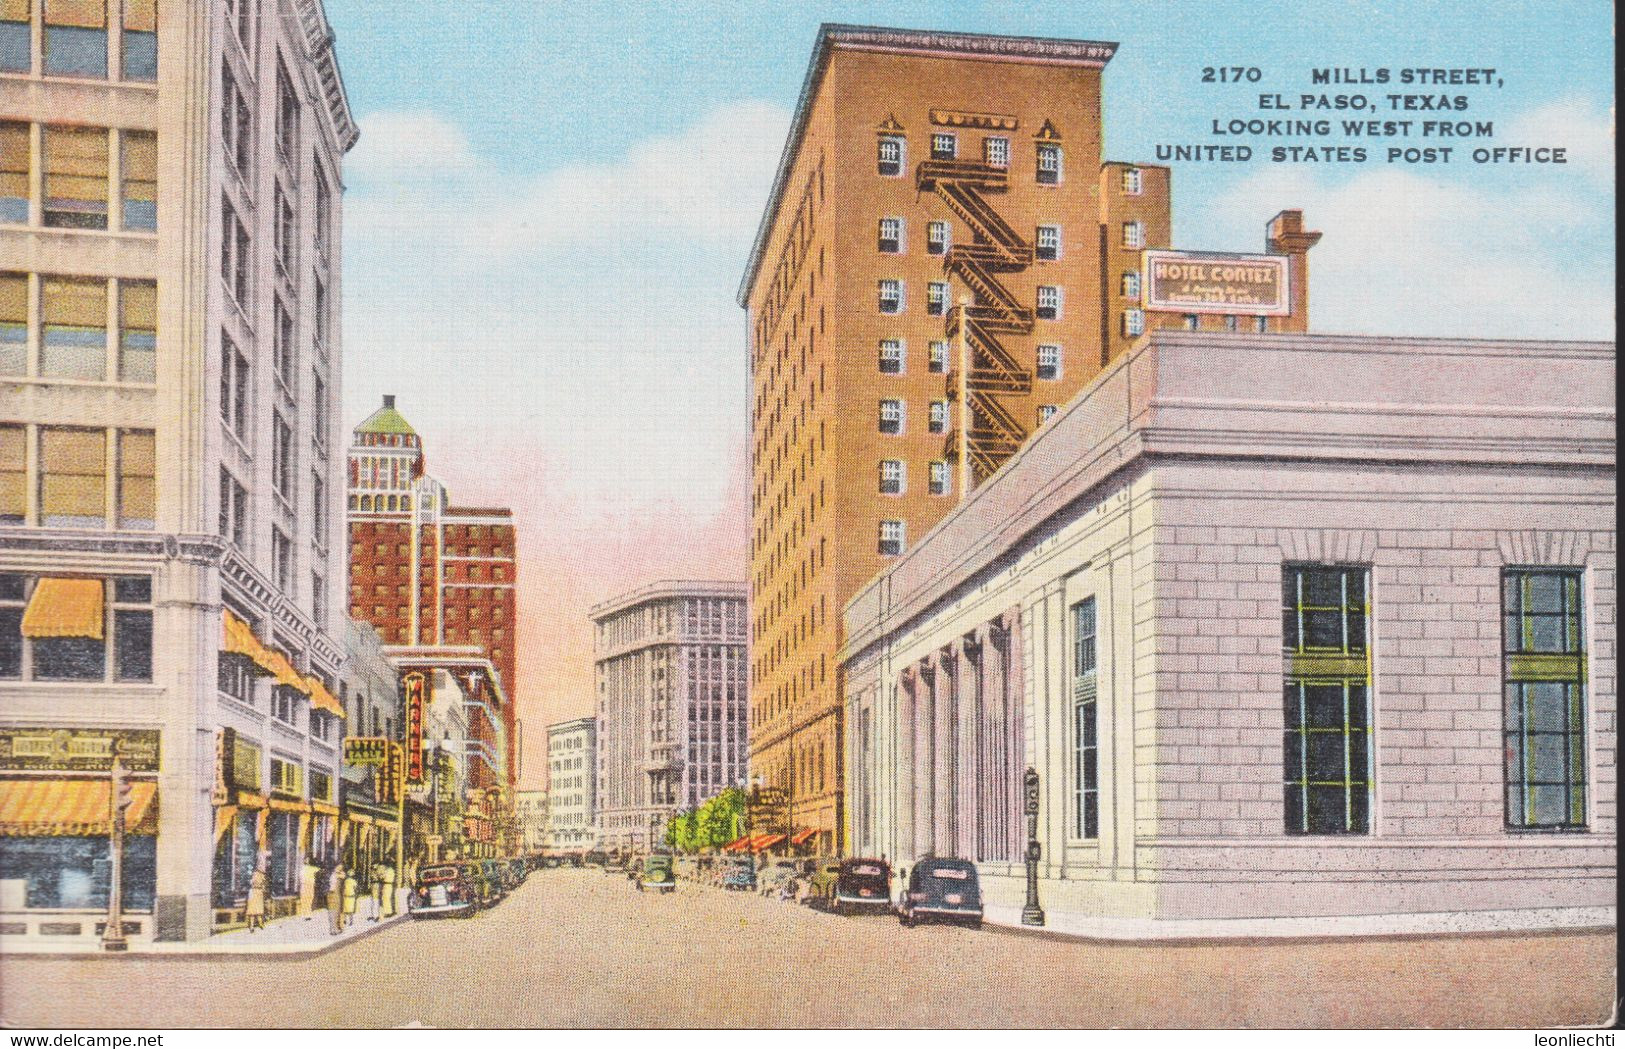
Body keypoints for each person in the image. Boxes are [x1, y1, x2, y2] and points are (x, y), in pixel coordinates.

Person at [245, 861, 268, 932]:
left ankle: (252, 926)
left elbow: (250, 883)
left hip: (253, 892)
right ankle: (260, 924)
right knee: (258, 909)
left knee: (252, 909)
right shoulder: (262, 876)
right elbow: (264, 886)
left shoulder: (253, 874)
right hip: (259, 892)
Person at [327, 865, 345, 935]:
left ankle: (333, 929)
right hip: (334, 894)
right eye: (339, 867)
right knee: (334, 912)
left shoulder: (333, 875)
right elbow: (343, 875)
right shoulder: (336, 875)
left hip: (332, 894)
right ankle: (334, 929)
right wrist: (339, 872)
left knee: (333, 912)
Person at [341, 867, 358, 931]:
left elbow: (343, 888)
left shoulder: (345, 881)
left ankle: (345, 920)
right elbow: (355, 888)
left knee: (345, 909)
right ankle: (351, 921)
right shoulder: (354, 881)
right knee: (350, 909)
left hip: (346, 895)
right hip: (351, 896)